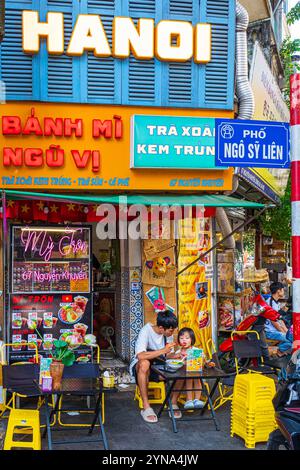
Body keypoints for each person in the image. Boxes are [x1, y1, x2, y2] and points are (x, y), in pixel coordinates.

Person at [130, 310, 178, 423]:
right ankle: (146, 407)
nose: (172, 332)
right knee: (145, 363)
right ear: (161, 328)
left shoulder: (168, 334)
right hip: (141, 369)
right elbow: (140, 355)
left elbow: (167, 355)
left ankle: (173, 402)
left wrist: (177, 355)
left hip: (159, 367)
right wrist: (163, 350)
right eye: (171, 330)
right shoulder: (146, 331)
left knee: (180, 367)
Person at [170, 328, 205, 411]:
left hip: (196, 374)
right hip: (183, 376)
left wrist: (203, 360)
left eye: (187, 338)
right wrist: (180, 359)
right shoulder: (178, 352)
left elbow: (202, 361)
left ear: (192, 339)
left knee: (195, 376)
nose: (184, 340)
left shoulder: (196, 350)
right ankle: (189, 400)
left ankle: (197, 399)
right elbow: (177, 363)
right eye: (181, 338)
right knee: (189, 376)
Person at [264, 282, 293, 357]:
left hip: (275, 330)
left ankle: (280, 350)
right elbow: (274, 322)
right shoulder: (270, 303)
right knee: (292, 340)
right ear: (278, 291)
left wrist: (287, 331)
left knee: (292, 337)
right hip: (271, 332)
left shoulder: (275, 302)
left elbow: (280, 319)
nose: (284, 291)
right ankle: (279, 351)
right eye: (283, 290)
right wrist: (285, 333)